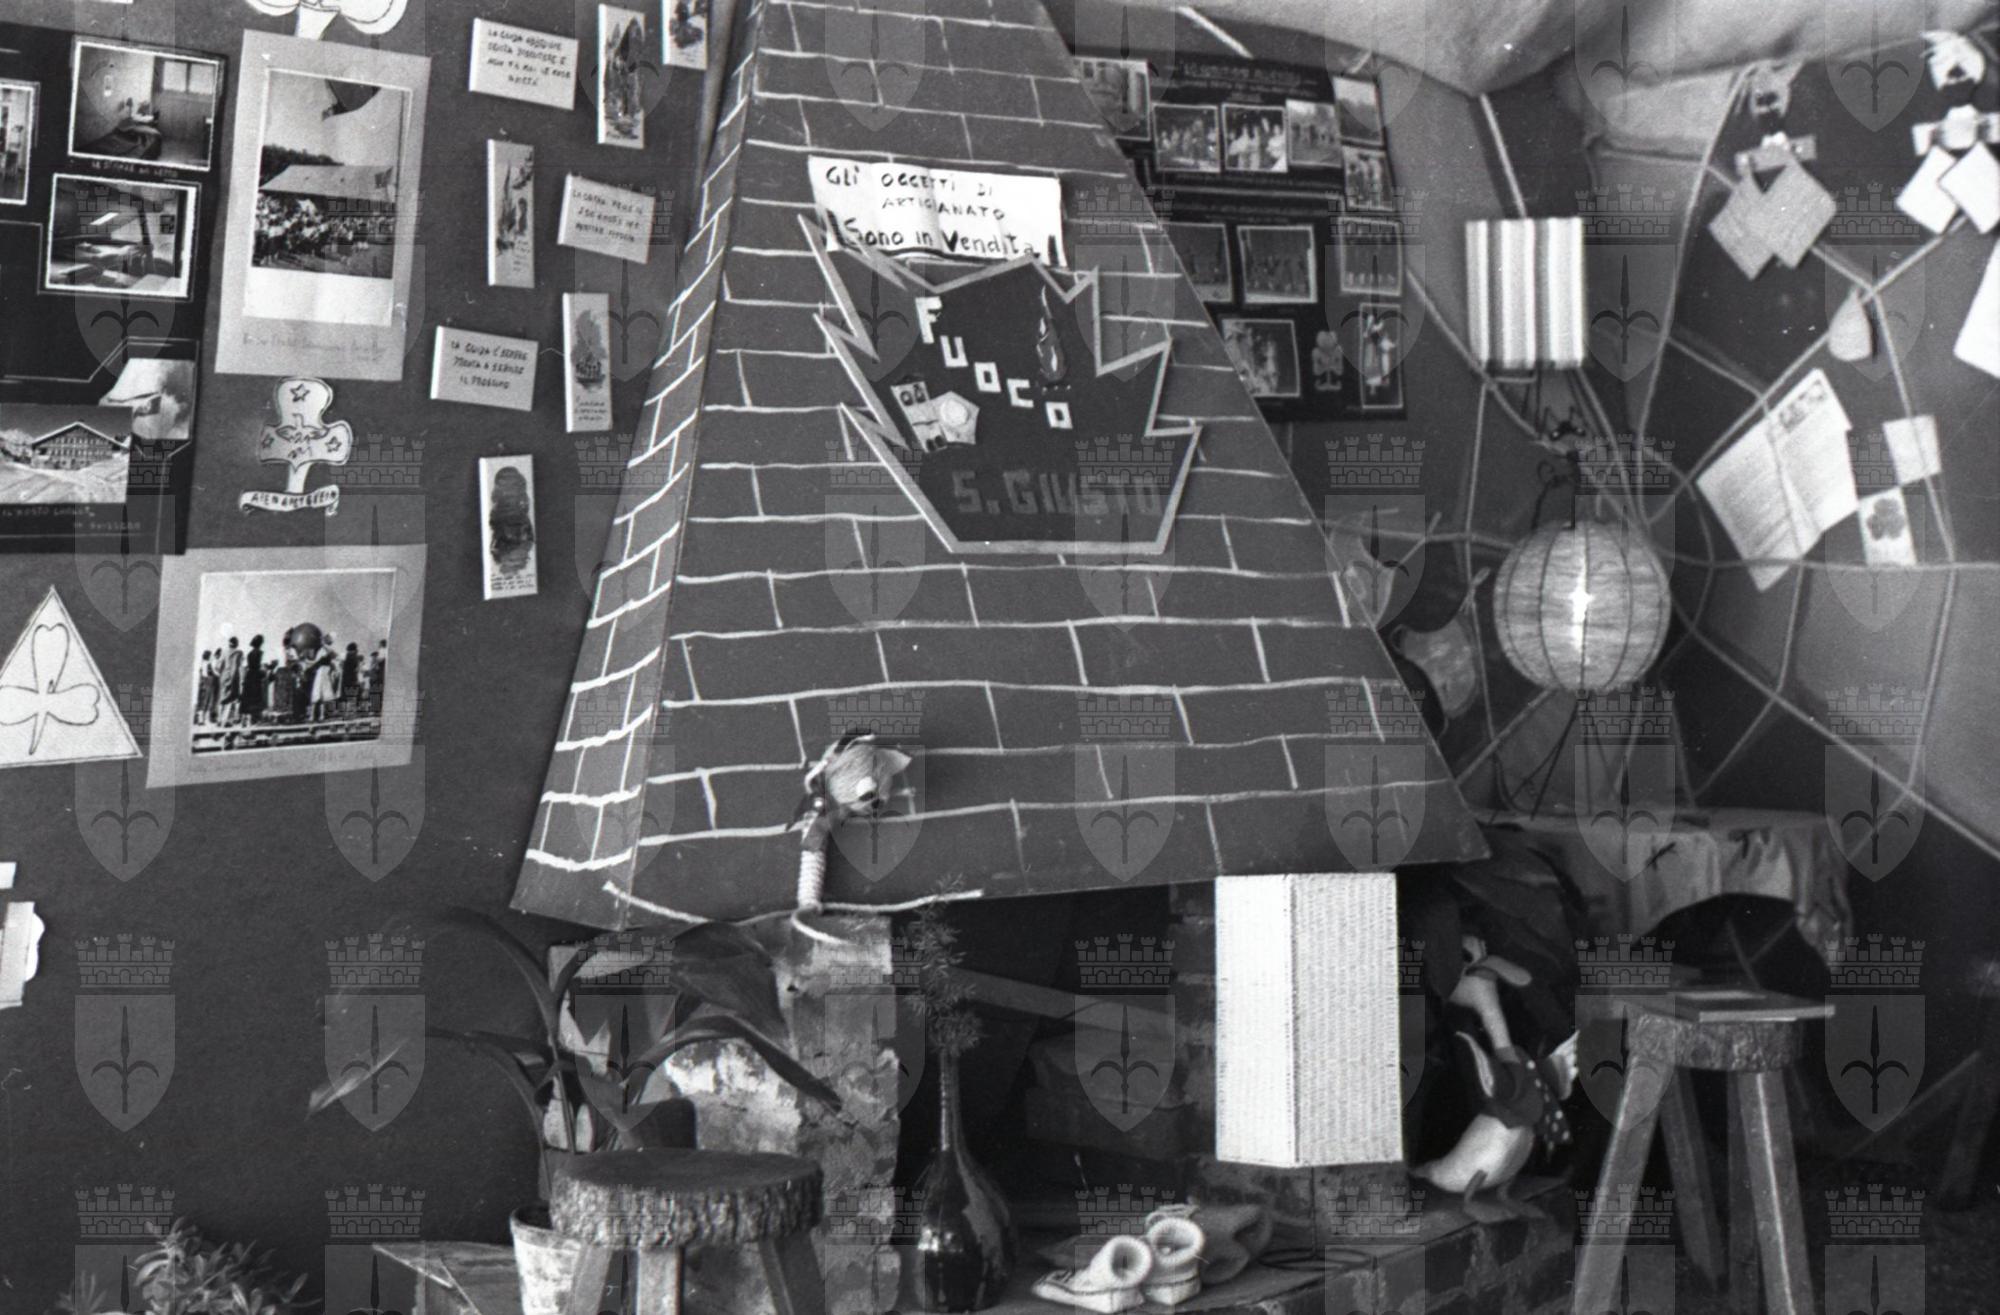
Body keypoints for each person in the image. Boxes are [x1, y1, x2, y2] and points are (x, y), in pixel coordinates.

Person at [240, 636, 267, 727]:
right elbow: (262, 667)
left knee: (247, 698)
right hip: (256, 677)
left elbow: (245, 667)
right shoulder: (261, 653)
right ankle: (253, 720)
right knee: (255, 697)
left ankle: (244, 720)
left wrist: (243, 679)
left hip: (249, 676)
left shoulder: (249, 654)